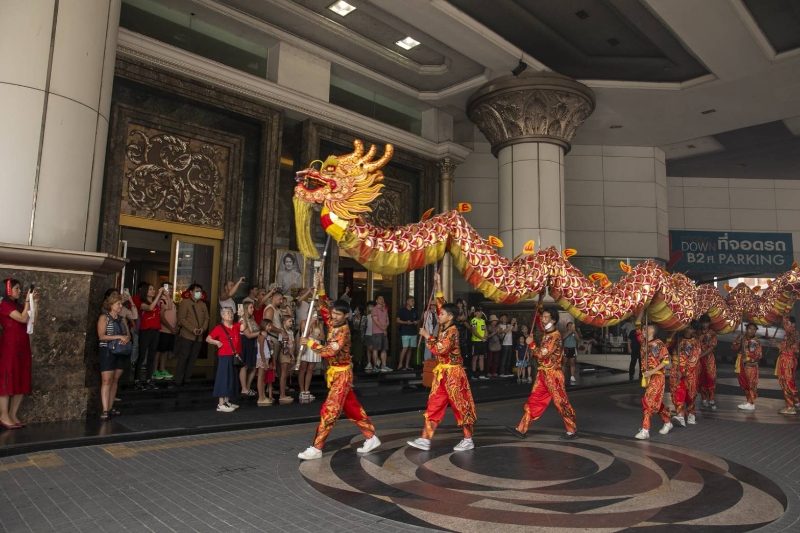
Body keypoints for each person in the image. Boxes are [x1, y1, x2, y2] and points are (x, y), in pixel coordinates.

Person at [297, 272, 380, 460]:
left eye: (337, 314)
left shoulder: (343, 331)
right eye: (333, 313)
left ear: (346, 315)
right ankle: (371, 437)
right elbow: (324, 307)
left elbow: (329, 352)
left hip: (342, 375)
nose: (333, 316)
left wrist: (310, 342)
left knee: (330, 410)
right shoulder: (334, 320)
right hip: (336, 373)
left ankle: (317, 447)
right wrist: (320, 285)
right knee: (352, 407)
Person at [408, 273, 477, 452]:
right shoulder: (445, 326)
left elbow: (440, 349)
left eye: (443, 314)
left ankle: (468, 439)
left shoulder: (452, 331)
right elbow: (441, 303)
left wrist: (427, 336)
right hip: (442, 375)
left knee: (460, 405)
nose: (440, 315)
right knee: (434, 404)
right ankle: (425, 439)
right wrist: (438, 283)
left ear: (450, 317)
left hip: (454, 374)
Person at [507, 308, 577, 440]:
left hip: (553, 375)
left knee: (561, 402)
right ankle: (521, 429)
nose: (543, 320)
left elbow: (542, 355)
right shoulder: (547, 332)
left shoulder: (555, 336)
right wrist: (539, 310)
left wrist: (531, 344)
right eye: (543, 317)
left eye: (546, 317)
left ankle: (572, 430)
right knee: (534, 400)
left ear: (553, 320)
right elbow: (539, 323)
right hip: (543, 374)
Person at [0, 279, 36, 429]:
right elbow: (22, 318)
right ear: (8, 289)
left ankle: (13, 414)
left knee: (21, 378)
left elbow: (32, 321)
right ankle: (3, 415)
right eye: (16, 288)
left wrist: (34, 302)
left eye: (20, 288)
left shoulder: (19, 305)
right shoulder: (4, 304)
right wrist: (28, 302)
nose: (19, 291)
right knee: (7, 379)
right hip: (10, 346)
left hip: (22, 346)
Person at [634, 311, 672, 440]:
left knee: (647, 400)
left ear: (652, 330)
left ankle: (645, 430)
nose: (643, 330)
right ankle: (667, 421)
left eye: (646, 328)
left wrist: (651, 371)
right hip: (647, 377)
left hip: (657, 376)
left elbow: (665, 360)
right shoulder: (643, 342)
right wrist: (642, 310)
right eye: (644, 328)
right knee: (655, 402)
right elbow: (637, 324)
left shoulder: (659, 343)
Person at [97, 293, 130, 419]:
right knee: (107, 380)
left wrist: (125, 339)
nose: (120, 306)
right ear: (111, 305)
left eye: (121, 304)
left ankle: (110, 407)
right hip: (107, 351)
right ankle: (105, 409)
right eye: (118, 304)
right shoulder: (104, 318)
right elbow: (101, 336)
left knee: (115, 380)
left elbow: (128, 335)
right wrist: (118, 337)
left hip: (120, 351)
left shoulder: (122, 319)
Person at [174, 283, 209, 388]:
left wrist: (202, 329)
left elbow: (206, 319)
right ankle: (178, 380)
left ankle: (187, 378)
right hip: (187, 335)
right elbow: (182, 318)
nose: (199, 293)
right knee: (184, 357)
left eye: (200, 291)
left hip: (199, 336)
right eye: (197, 291)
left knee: (193, 358)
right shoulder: (185, 302)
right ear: (191, 292)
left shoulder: (203, 305)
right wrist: (192, 329)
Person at [132, 283, 166, 391]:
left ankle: (148, 379)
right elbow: (150, 308)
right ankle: (137, 380)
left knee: (151, 356)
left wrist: (164, 296)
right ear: (145, 291)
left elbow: (167, 307)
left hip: (155, 331)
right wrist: (158, 296)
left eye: (153, 289)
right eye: (150, 289)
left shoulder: (157, 303)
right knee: (142, 355)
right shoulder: (142, 303)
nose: (153, 291)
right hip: (145, 331)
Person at [206, 307, 241, 412]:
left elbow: (244, 327)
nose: (230, 315)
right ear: (222, 316)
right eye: (228, 313)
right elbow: (208, 338)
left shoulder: (235, 326)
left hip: (234, 355)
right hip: (224, 356)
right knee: (223, 378)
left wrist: (242, 315)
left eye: (231, 313)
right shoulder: (219, 328)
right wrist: (216, 342)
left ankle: (227, 401)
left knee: (231, 378)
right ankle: (220, 403)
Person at [670, 321, 700, 427]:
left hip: (689, 371)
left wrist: (684, 373)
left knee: (690, 393)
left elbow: (694, 359)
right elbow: (666, 345)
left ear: (694, 330)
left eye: (691, 328)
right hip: (676, 368)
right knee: (677, 392)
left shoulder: (696, 342)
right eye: (687, 327)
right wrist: (673, 332)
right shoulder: (677, 337)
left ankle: (691, 414)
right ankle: (680, 415)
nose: (688, 330)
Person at [732, 323, 762, 411]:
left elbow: (758, 355)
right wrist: (738, 340)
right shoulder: (742, 337)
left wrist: (748, 358)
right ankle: (748, 400)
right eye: (750, 328)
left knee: (751, 384)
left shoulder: (756, 341)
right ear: (746, 329)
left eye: (754, 329)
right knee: (744, 383)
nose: (752, 331)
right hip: (742, 364)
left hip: (751, 366)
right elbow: (734, 348)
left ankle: (751, 403)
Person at [776, 309, 799, 415]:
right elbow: (785, 348)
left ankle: (789, 406)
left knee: (786, 382)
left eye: (789, 323)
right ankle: (796, 403)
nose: (786, 325)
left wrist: (785, 311)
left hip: (787, 360)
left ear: (792, 324)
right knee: (789, 381)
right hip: (787, 359)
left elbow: (785, 323)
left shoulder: (792, 332)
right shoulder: (790, 335)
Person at [298, 310, 324, 401]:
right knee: (303, 368)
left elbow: (322, 336)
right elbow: (304, 333)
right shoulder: (303, 322)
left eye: (316, 314)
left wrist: (315, 337)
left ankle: (306, 390)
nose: (315, 316)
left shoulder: (319, 324)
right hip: (306, 345)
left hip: (315, 345)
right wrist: (310, 323)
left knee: (310, 369)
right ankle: (301, 391)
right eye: (313, 314)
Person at [154, 282, 176, 381]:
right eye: (168, 288)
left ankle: (162, 369)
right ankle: (154, 370)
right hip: (163, 330)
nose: (170, 290)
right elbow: (161, 317)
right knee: (158, 351)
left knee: (165, 351)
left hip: (170, 331)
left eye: (171, 288)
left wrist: (174, 328)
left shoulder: (171, 301)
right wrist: (170, 328)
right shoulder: (161, 300)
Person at [238, 300, 260, 397]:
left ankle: (248, 387)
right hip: (245, 342)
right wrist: (261, 332)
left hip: (253, 343)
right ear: (246, 309)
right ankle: (244, 388)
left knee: (253, 367)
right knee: (245, 365)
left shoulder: (252, 319)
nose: (253, 309)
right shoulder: (243, 320)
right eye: (251, 307)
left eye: (253, 307)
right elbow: (248, 335)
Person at [697, 314, 718, 410]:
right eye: (703, 323)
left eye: (707, 323)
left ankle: (712, 399)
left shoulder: (712, 334)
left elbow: (711, 347)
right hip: (699, 360)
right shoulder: (697, 333)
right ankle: (704, 399)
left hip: (709, 359)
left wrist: (700, 355)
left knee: (711, 378)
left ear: (709, 323)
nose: (705, 325)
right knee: (701, 379)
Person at [277, 315, 296, 403]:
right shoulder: (281, 331)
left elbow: (293, 343)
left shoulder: (290, 331)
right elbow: (282, 345)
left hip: (290, 353)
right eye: (289, 321)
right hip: (284, 353)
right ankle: (282, 395)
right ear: (284, 322)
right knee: (283, 374)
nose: (291, 323)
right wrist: (290, 353)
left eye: (291, 321)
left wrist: (292, 353)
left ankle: (283, 393)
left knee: (285, 375)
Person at [397, 296, 419, 371]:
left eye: (414, 301)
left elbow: (419, 320)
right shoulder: (402, 310)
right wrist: (406, 322)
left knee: (410, 349)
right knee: (405, 348)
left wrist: (416, 322)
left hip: (413, 332)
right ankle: (400, 365)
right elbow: (397, 320)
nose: (413, 302)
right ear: (407, 301)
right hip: (405, 332)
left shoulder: (415, 311)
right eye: (412, 301)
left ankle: (407, 365)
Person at [371, 295, 391, 372]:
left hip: (384, 332)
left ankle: (384, 365)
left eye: (382, 298)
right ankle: (375, 366)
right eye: (379, 298)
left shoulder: (385, 309)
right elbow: (376, 321)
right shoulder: (374, 309)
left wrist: (385, 328)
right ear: (376, 301)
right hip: (377, 332)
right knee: (376, 349)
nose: (381, 300)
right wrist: (383, 328)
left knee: (384, 349)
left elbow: (387, 320)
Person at [256, 319, 274, 406]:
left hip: (266, 357)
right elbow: (261, 349)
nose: (270, 327)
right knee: (260, 377)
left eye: (270, 325)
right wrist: (264, 362)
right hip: (262, 358)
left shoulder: (266, 335)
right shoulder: (262, 336)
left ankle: (263, 395)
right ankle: (260, 397)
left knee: (263, 378)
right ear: (264, 325)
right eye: (268, 325)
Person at [469, 308, 488, 379]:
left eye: (481, 311)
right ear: (476, 313)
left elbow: (485, 329)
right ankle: (473, 373)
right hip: (476, 341)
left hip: (482, 341)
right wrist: (481, 337)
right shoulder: (473, 320)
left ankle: (481, 373)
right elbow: (474, 331)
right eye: (479, 311)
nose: (481, 313)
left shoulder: (483, 320)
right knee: (475, 357)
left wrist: (486, 336)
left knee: (481, 357)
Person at [362, 301, 375, 371]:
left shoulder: (376, 316)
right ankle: (369, 363)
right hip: (367, 334)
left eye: (371, 306)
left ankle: (376, 361)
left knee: (372, 348)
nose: (370, 307)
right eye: (369, 306)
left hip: (373, 334)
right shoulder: (367, 316)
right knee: (368, 349)